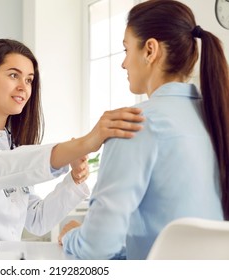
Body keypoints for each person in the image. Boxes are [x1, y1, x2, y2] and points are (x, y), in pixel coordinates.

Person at [59, 0, 229, 259]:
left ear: (150, 50)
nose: (124, 64)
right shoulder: (218, 118)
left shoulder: (133, 125)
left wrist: (70, 235)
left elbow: (96, 249)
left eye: (126, 50)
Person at [0, 38, 144, 241]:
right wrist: (85, 142)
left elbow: (36, 220)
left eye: (29, 80)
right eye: (14, 75)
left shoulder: (11, 144)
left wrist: (74, 181)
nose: (24, 86)